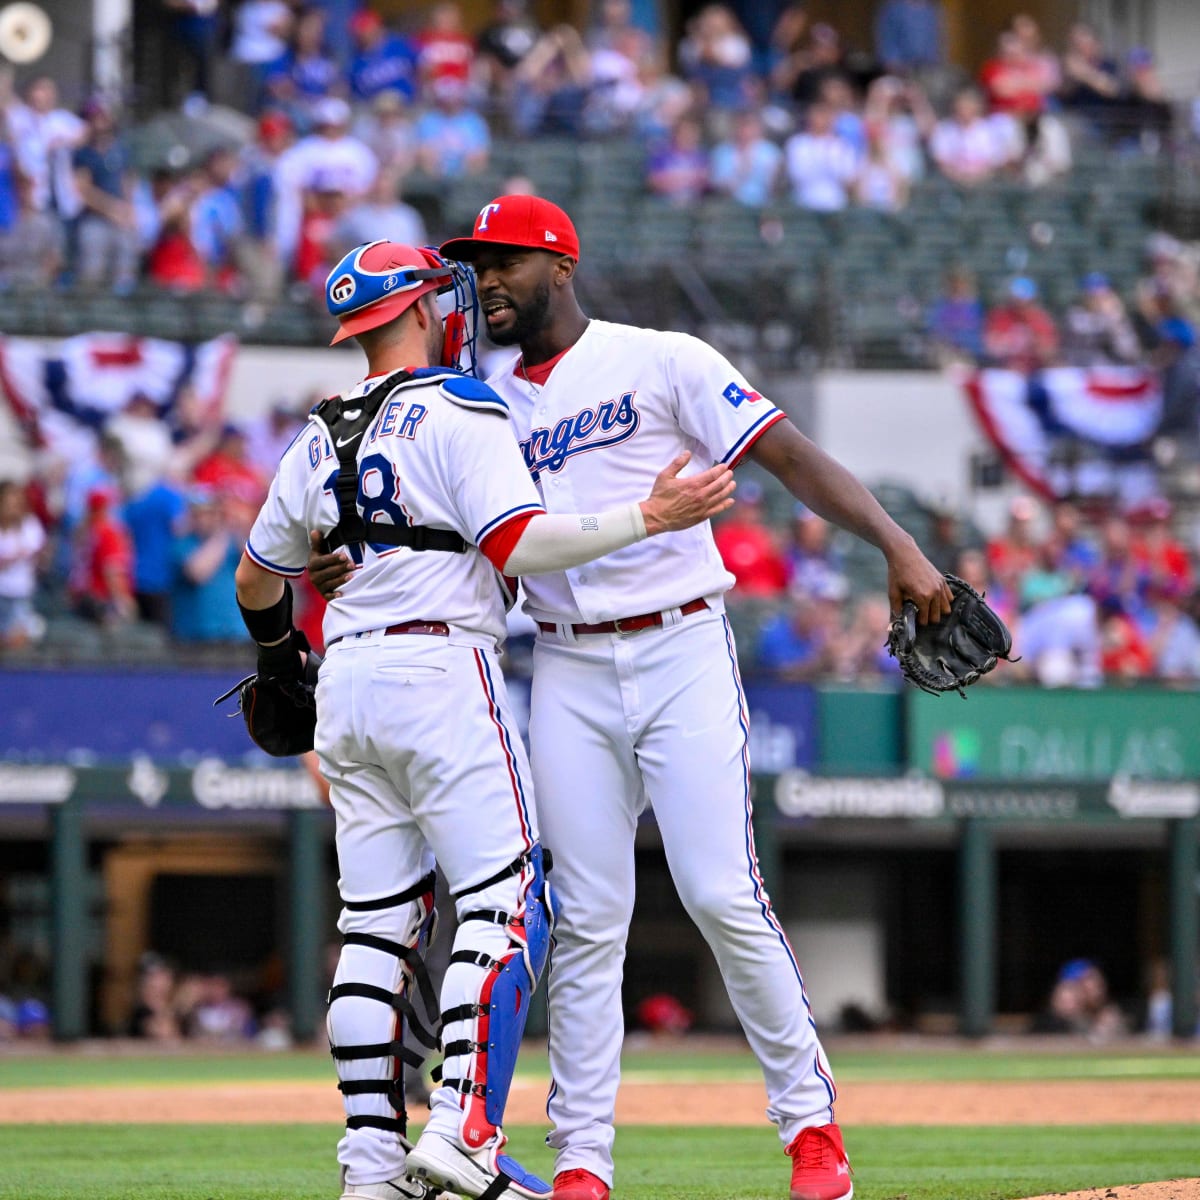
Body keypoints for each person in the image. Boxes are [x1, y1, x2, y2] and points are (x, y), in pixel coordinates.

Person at [313, 196, 949, 1200]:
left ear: (561, 263)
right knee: (589, 915)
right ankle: (581, 1162)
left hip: (681, 643)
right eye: (475, 266)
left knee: (720, 892)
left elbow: (787, 455)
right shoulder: (476, 399)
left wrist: (900, 547)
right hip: (564, 663)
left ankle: (812, 1129)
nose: (485, 282)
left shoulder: (662, 358)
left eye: (507, 262)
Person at [239, 238, 732, 1200]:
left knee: (376, 926)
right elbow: (518, 541)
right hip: (441, 668)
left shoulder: (313, 434)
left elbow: (259, 578)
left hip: (345, 678)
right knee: (506, 901)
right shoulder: (461, 406)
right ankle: (464, 1124)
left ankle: (370, 1165)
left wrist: (274, 655)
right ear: (420, 309)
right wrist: (652, 517)